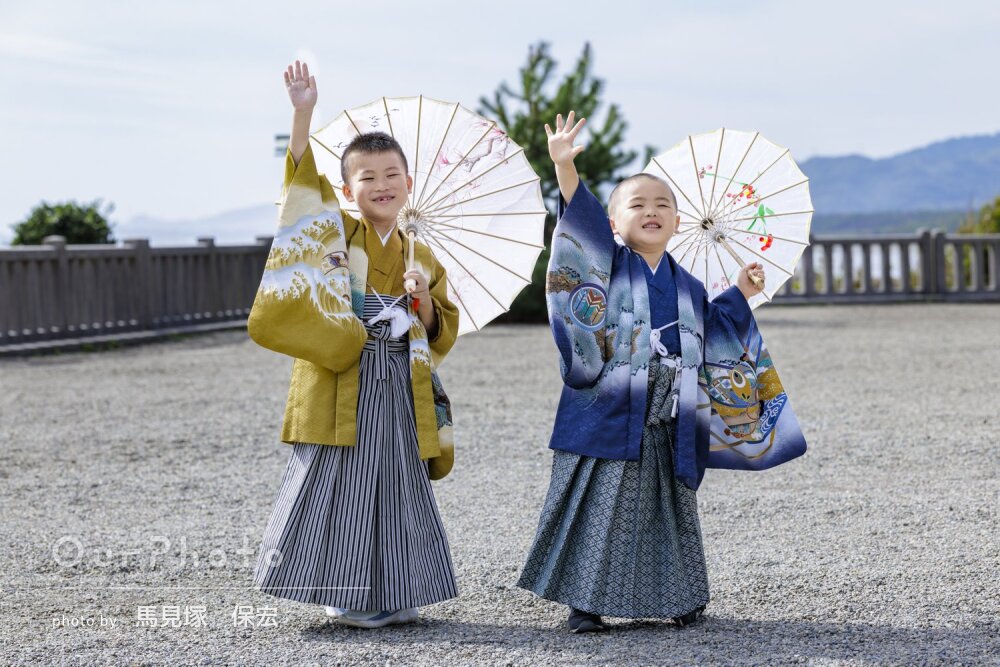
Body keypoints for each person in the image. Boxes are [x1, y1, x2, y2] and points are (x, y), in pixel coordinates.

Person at [517, 112, 805, 633]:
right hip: (614, 408)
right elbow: (576, 233)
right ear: (612, 223)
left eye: (663, 205)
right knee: (601, 505)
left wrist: (740, 292)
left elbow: (716, 330)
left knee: (666, 507)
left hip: (670, 412)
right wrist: (564, 167)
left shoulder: (689, 283)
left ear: (678, 221)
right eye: (637, 204)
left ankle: (679, 596)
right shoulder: (605, 262)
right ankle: (585, 602)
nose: (652, 211)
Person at [247, 61, 460, 629]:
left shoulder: (423, 255)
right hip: (346, 373)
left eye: (392, 174)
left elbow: (443, 328)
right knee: (340, 476)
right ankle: (344, 593)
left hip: (398, 377)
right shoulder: (335, 231)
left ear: (409, 183)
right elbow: (299, 195)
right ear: (347, 189)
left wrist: (421, 302)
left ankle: (397, 588)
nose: (382, 185)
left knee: (396, 480)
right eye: (367, 177)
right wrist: (303, 115)